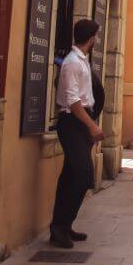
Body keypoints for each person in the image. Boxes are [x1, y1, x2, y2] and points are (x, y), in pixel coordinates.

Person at [50, 19, 104, 248]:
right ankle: (59, 227)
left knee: (71, 176)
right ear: (91, 39)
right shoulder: (72, 62)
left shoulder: (80, 61)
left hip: (80, 121)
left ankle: (63, 226)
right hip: (73, 122)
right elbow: (72, 101)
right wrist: (91, 125)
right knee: (83, 175)